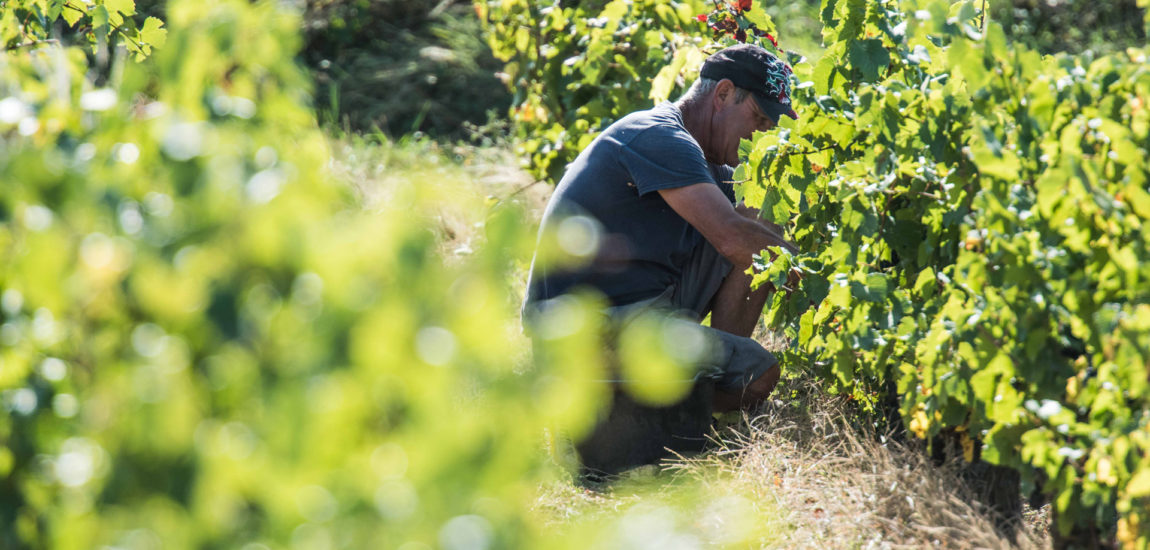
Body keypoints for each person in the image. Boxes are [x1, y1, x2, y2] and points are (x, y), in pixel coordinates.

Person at [523, 43, 799, 413]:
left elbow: (749, 231)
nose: (760, 135)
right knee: (758, 372)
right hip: (581, 330)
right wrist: (820, 279)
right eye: (758, 119)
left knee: (759, 215)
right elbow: (732, 239)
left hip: (645, 311)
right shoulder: (658, 136)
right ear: (723, 94)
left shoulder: (710, 165)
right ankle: (650, 420)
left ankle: (701, 381)